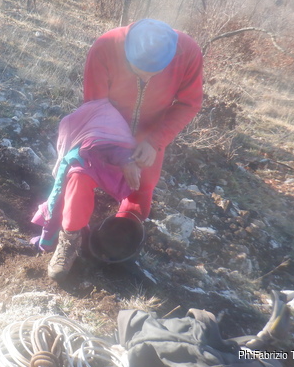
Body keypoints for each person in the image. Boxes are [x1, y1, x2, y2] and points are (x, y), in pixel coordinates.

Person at [45, 18, 204, 281]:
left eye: (153, 73)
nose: (145, 78)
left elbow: (189, 103)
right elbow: (97, 108)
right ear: (127, 51)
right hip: (102, 131)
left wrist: (154, 141)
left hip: (149, 134)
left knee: (142, 188)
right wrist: (121, 156)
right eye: (139, 71)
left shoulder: (188, 52)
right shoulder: (106, 46)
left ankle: (121, 230)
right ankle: (70, 238)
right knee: (79, 175)